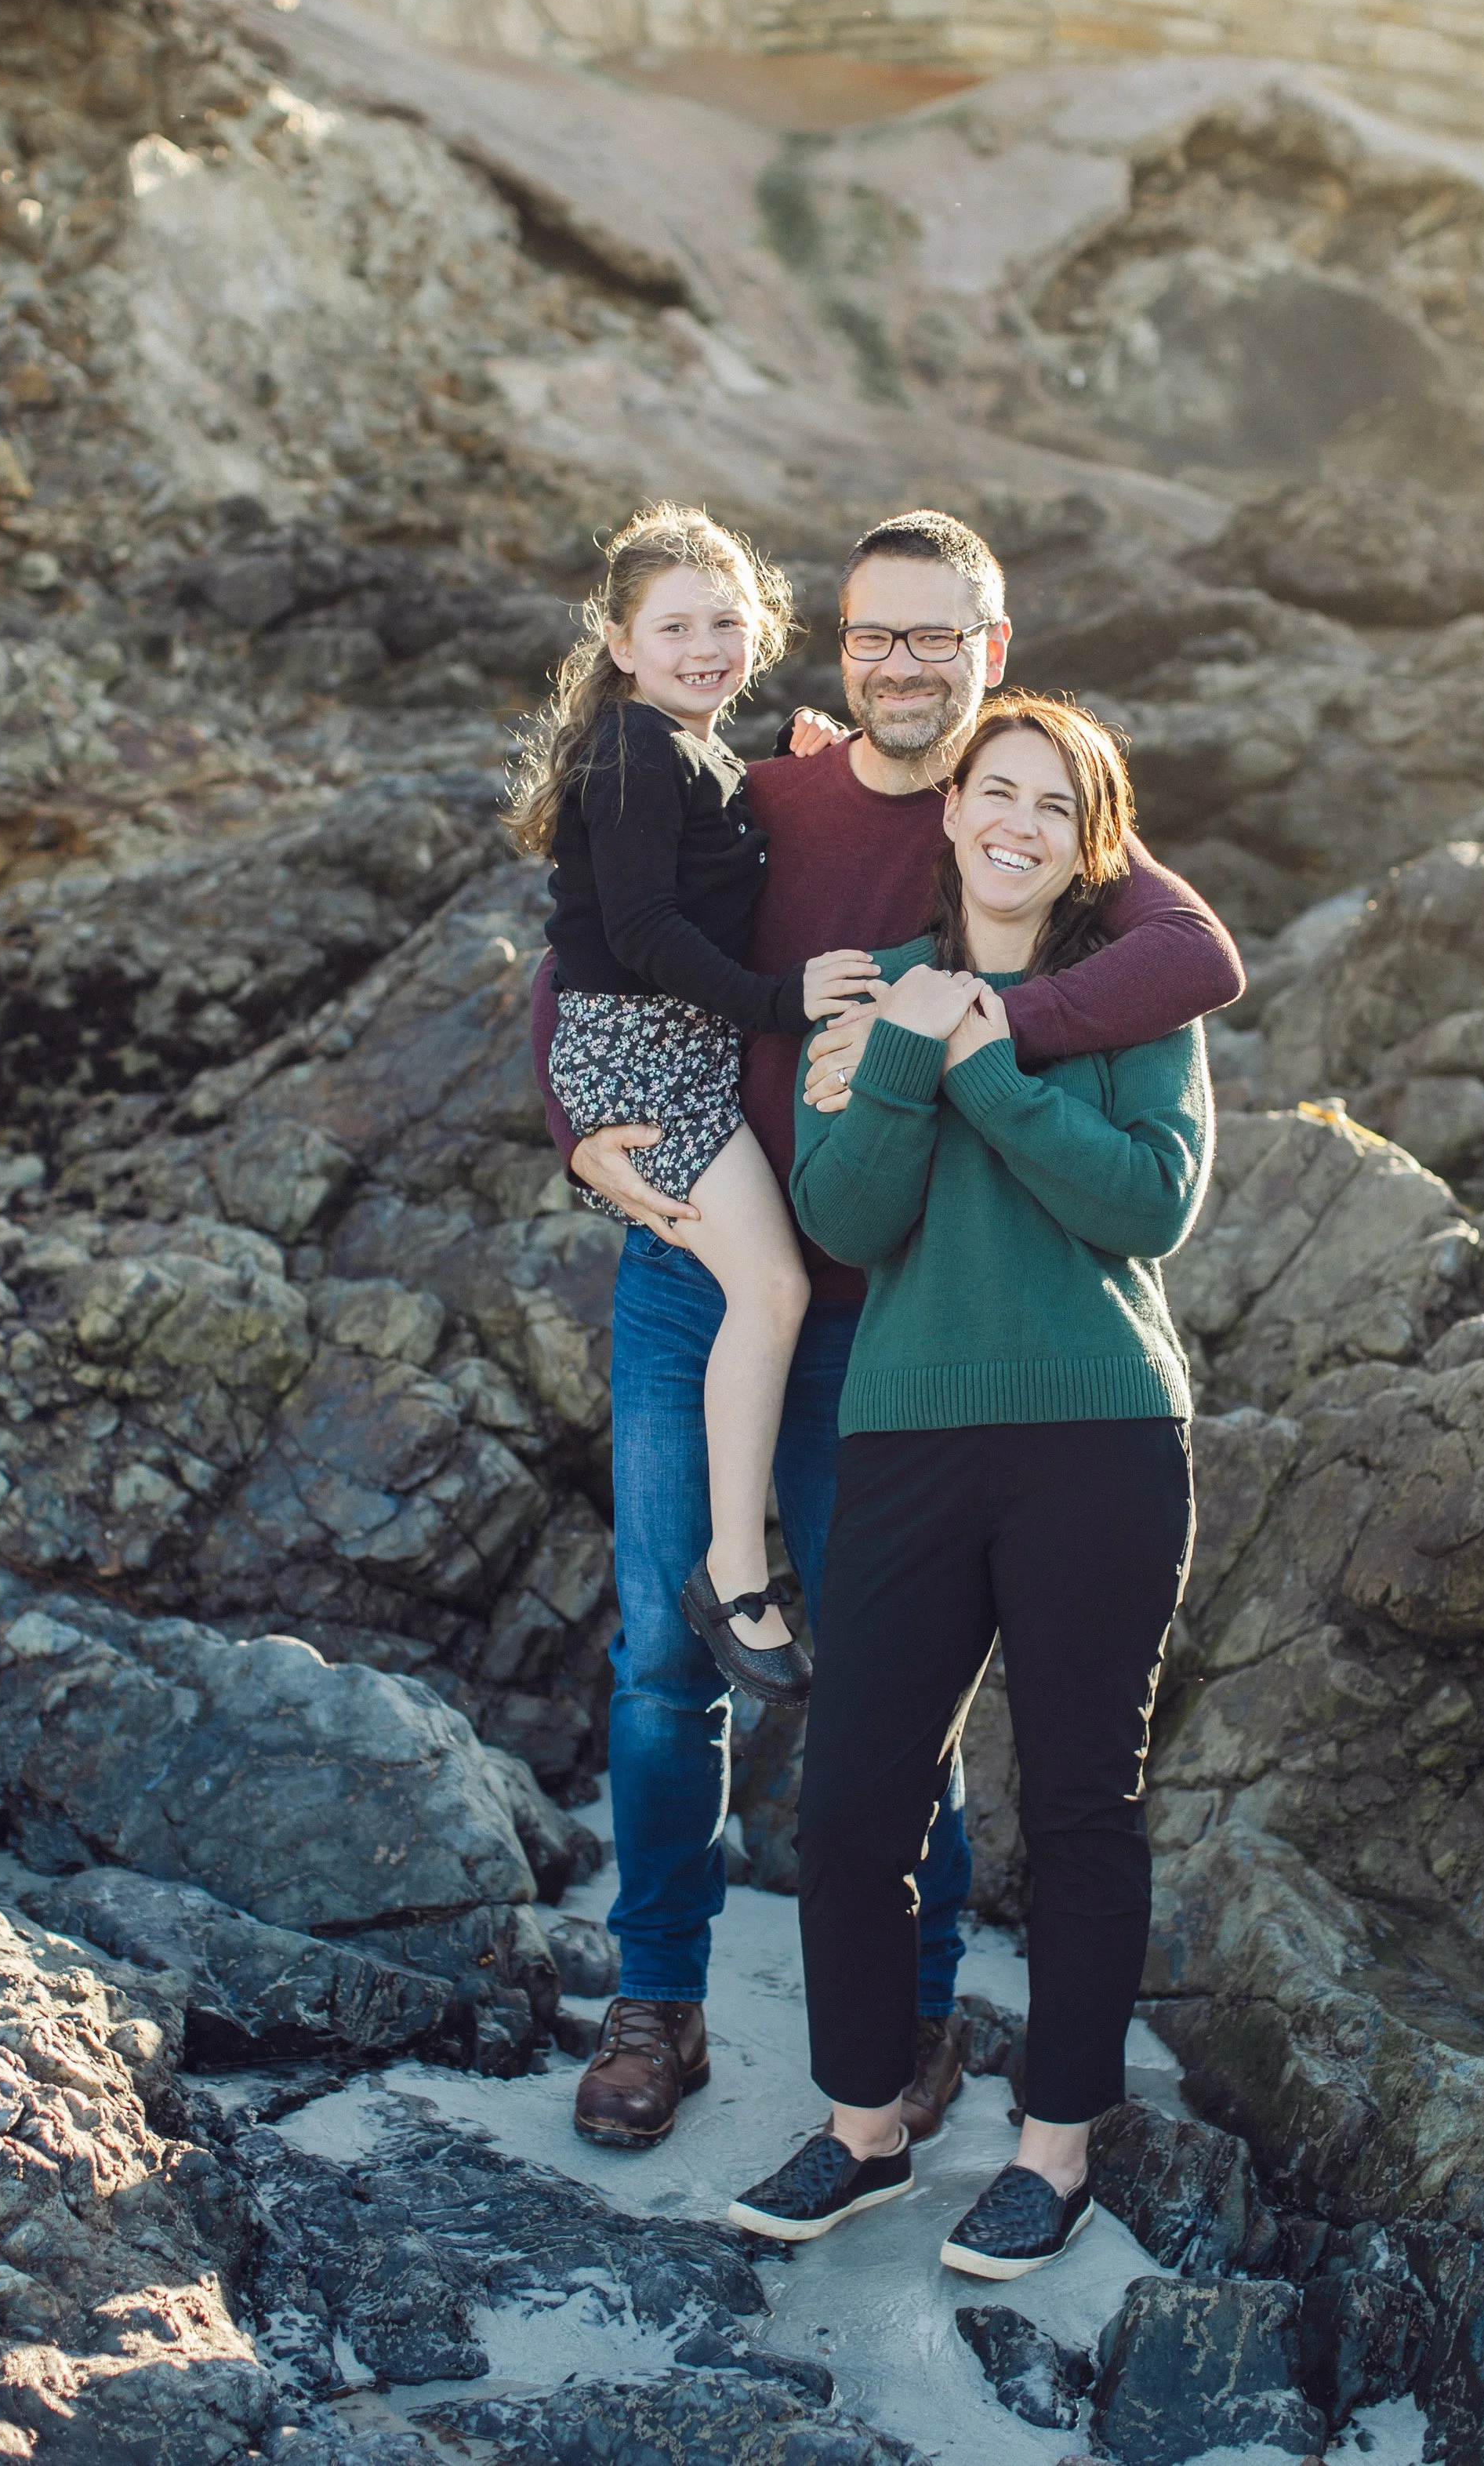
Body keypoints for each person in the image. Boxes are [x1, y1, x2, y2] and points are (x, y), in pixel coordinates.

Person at [528, 512, 1243, 2154]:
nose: (905, 664)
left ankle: (913, 2024)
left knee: (887, 1700)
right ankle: (657, 2007)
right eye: (877, 635)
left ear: (991, 651)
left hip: (889, 1319)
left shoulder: (1025, 809)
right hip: (692, 1270)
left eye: (939, 638)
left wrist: (974, 1023)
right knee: (659, 1659)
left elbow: (1194, 960)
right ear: (839, 647)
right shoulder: (760, 785)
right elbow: (593, 939)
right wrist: (572, 1121)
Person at [728, 695, 1206, 2280]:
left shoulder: (1130, 1007)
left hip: (1096, 1442)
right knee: (853, 1806)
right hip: (908, 1442)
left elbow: (1143, 1205)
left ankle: (1052, 2151)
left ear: (1088, 846)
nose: (1012, 824)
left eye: (1049, 810)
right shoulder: (876, 1007)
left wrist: (990, 1070)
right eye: (990, 793)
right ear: (948, 814)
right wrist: (913, 1059)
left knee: (1077, 1810)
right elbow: (849, 1221)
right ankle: (865, 2131)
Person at [507, 504, 876, 1706]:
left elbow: (717, 857)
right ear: (621, 642)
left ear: (762, 627)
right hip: (644, 1058)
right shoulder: (634, 753)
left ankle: (733, 1563)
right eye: (674, 626)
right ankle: (733, 1571)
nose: (704, 644)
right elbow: (641, 932)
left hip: (664, 1051)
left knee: (759, 1293)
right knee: (771, 1289)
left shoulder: (693, 754)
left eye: (726, 620)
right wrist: (784, 1000)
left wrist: (797, 766)